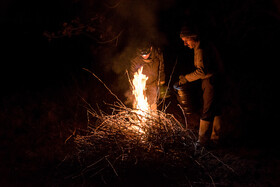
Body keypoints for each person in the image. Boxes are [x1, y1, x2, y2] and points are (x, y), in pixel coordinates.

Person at [179, 26, 224, 148]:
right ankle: (216, 138)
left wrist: (186, 78)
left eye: (186, 40)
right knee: (216, 108)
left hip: (210, 80)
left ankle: (202, 141)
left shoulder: (201, 49)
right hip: (217, 78)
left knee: (207, 109)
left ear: (192, 38)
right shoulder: (204, 45)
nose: (185, 44)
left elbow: (202, 72)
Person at [129, 42, 165, 110]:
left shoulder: (157, 54)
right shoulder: (136, 59)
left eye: (146, 54)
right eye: (142, 54)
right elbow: (132, 74)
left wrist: (162, 79)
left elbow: (161, 67)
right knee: (139, 105)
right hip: (141, 86)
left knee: (153, 105)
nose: (145, 56)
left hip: (153, 83)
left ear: (151, 49)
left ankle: (153, 118)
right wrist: (133, 87)